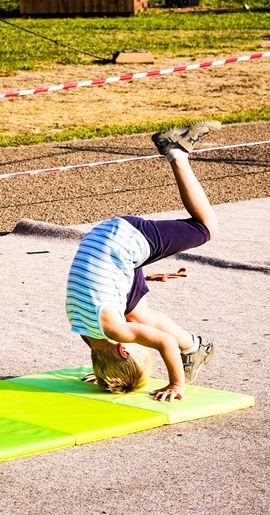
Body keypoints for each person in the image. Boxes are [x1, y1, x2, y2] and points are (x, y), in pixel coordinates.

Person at [66, 120, 221, 402]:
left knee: (205, 229)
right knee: (137, 314)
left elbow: (164, 342)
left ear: (124, 349)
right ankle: (196, 348)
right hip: (98, 245)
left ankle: (176, 153)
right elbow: (96, 292)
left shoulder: (115, 331)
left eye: (138, 348)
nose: (139, 341)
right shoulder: (84, 332)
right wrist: (102, 373)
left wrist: (176, 385)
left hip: (124, 238)